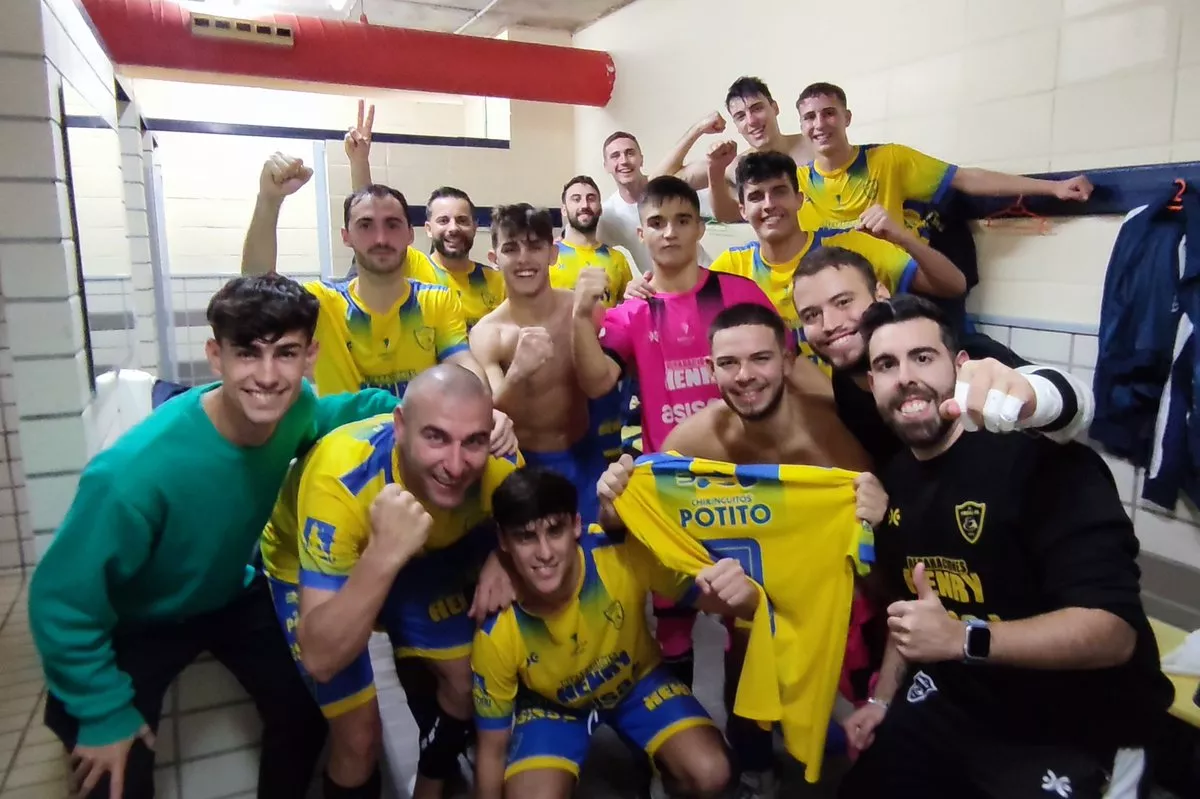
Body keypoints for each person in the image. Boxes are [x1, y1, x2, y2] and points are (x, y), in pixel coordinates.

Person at [28, 274, 405, 799]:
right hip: (136, 619)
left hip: (229, 593)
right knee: (112, 777)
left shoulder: (293, 411)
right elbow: (58, 601)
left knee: (307, 716)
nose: (269, 376)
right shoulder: (134, 474)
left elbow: (337, 413)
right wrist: (100, 709)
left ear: (310, 355)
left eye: (287, 353)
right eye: (248, 354)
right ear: (216, 356)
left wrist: (436, 413)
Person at [838, 295, 1172, 799]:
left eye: (922, 357)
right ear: (872, 385)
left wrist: (960, 639)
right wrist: (882, 702)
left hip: (1077, 720)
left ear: (961, 366)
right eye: (886, 364)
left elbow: (1113, 634)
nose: (905, 376)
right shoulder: (896, 482)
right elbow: (911, 618)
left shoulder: (1043, 461)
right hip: (961, 703)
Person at [659, 303, 883, 798]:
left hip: (839, 589)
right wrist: (614, 499)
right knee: (744, 637)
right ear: (711, 369)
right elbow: (644, 508)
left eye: (760, 359)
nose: (745, 377)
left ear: (787, 361)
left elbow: (889, 535)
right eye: (728, 364)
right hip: (759, 594)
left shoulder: (837, 431)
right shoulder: (698, 437)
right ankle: (754, 761)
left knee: (869, 703)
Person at [285, 364, 521, 799]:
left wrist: (504, 555)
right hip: (323, 558)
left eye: (473, 441)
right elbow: (321, 658)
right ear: (400, 428)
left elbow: (537, 527)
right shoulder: (339, 481)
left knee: (467, 683)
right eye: (435, 437)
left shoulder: (500, 467)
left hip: (422, 550)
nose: (455, 464)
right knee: (358, 739)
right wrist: (382, 556)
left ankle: (429, 785)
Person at [471, 466, 755, 799]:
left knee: (711, 773)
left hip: (638, 682)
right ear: (504, 541)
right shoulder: (496, 628)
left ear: (577, 525)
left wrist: (744, 590)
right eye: (525, 537)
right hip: (552, 707)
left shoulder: (622, 554)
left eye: (555, 530)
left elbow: (723, 601)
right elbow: (491, 748)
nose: (545, 553)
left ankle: (665, 777)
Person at [627, 152, 967, 367]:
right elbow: (676, 306)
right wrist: (639, 290)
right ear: (743, 210)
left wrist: (903, 237)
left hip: (864, 403)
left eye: (779, 192)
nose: (769, 204)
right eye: (757, 197)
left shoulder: (851, 246)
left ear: (799, 199)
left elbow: (953, 285)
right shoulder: (732, 268)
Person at [240, 153, 502, 423]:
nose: (380, 238)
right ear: (346, 236)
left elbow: (462, 363)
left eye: (392, 225)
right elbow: (255, 291)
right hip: (345, 451)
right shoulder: (323, 304)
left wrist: (485, 410)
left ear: (410, 235)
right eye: (365, 225)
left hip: (420, 445)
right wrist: (269, 200)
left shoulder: (437, 300)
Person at [791, 246, 1093, 465]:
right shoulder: (844, 385)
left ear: (881, 294)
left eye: (843, 302)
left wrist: (1037, 394)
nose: (829, 324)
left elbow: (1073, 406)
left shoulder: (964, 356)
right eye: (811, 315)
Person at [794, 82, 1094, 244]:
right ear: (801, 125)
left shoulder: (888, 159)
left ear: (846, 118)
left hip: (896, 290)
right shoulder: (794, 183)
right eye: (810, 117)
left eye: (829, 113)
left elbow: (967, 179)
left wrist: (1053, 188)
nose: (820, 124)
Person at [469, 204, 609, 524]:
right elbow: (492, 414)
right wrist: (518, 371)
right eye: (510, 248)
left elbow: (609, 371)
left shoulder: (580, 308)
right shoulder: (488, 333)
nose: (523, 259)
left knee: (598, 556)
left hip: (586, 454)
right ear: (494, 259)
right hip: (525, 465)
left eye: (534, 246)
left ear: (553, 253)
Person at [344, 101, 506, 330]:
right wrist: (359, 162)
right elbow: (369, 215)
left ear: (474, 226)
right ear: (428, 229)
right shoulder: (412, 265)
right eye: (443, 220)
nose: (453, 228)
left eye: (462, 220)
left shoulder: (496, 282)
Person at [660, 77, 812, 224]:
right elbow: (661, 183)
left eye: (757, 108)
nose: (751, 121)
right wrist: (698, 129)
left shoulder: (812, 145)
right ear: (736, 125)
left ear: (775, 108)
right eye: (741, 116)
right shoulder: (733, 166)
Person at [596, 130, 714, 274]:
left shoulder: (668, 187)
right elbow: (582, 242)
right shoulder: (609, 214)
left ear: (641, 159)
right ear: (606, 166)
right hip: (662, 290)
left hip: (704, 275)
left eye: (630, 153)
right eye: (615, 156)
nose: (624, 161)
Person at [552, 175, 634, 305]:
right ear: (563, 210)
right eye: (576, 199)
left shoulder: (618, 259)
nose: (584, 205)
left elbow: (629, 311)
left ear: (600, 209)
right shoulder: (548, 257)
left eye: (591, 199)